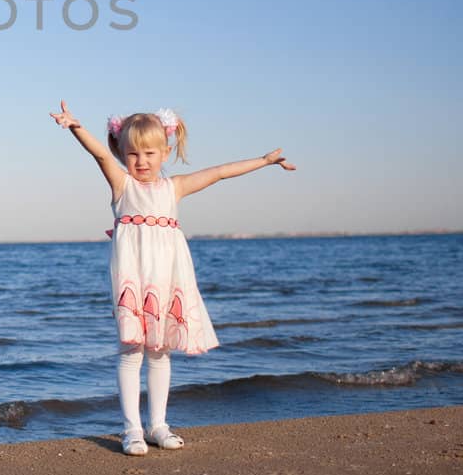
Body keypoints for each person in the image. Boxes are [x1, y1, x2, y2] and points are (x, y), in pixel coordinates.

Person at [49, 100, 296, 455]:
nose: (141, 160)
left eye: (150, 152)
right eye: (132, 153)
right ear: (122, 152)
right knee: (132, 350)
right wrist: (76, 127)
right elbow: (100, 155)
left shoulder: (174, 187)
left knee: (160, 351)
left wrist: (264, 161)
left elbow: (221, 172)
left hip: (168, 277)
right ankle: (131, 429)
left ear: (165, 152)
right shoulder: (122, 185)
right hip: (133, 278)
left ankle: (158, 425)